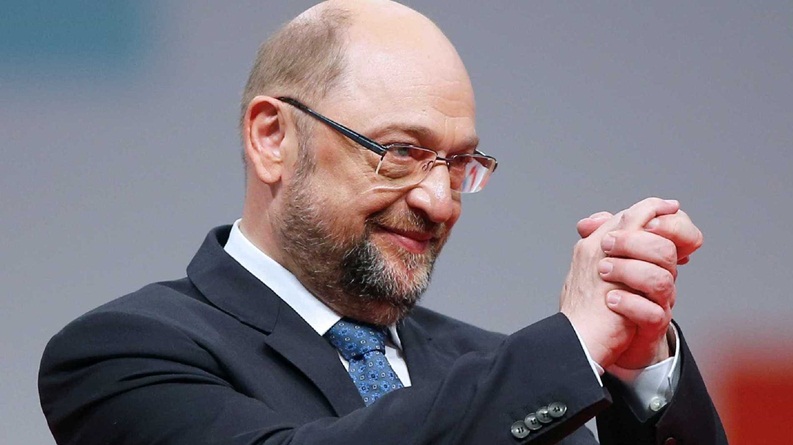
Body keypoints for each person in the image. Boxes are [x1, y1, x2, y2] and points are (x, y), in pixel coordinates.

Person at [38, 1, 727, 444]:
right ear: (273, 138)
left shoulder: (487, 367)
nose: (440, 201)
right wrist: (568, 345)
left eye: (459, 164)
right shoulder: (122, 353)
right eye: (399, 152)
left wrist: (638, 367)